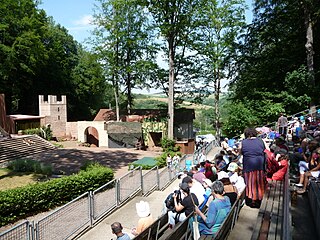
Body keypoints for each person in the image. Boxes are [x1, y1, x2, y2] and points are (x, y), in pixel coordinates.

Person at [239, 128, 266, 208]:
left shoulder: (243, 142)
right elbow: (265, 150)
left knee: (250, 183)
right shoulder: (261, 141)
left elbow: (240, 152)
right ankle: (259, 198)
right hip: (259, 165)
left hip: (248, 165)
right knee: (259, 183)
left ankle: (252, 200)